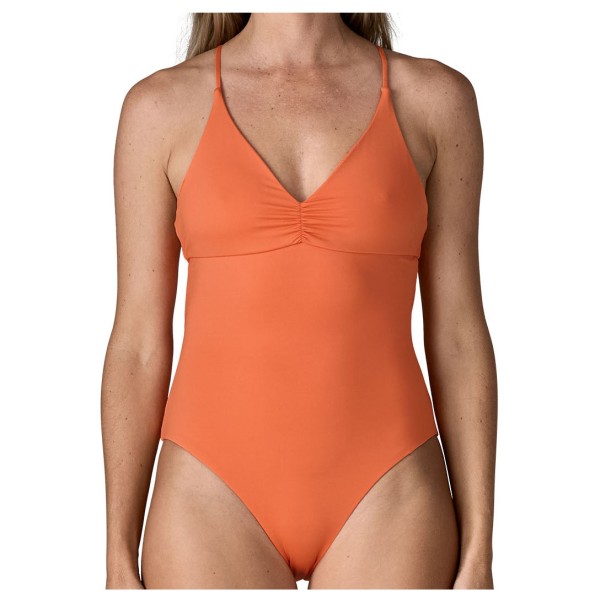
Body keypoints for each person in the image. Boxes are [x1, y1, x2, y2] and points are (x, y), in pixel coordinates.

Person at [101, 13, 496, 590]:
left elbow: (458, 333)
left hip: (390, 486)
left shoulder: (435, 101)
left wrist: (480, 548)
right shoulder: (160, 108)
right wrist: (117, 553)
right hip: (208, 495)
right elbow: (137, 344)